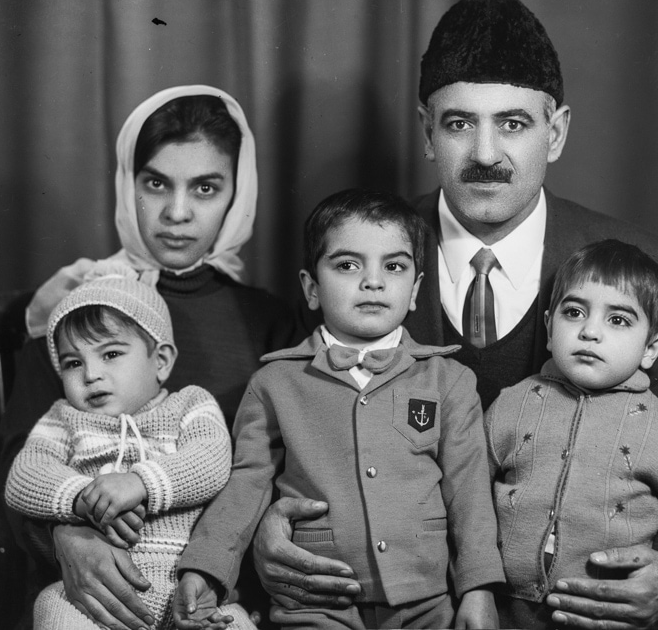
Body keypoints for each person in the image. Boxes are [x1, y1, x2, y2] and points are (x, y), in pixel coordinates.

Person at [250, 0, 658, 628]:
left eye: (513, 124)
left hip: (567, 610)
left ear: (554, 133)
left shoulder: (638, 263)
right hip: (394, 605)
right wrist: (262, 527)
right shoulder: (358, 249)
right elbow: (291, 420)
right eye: (458, 124)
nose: (485, 152)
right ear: (425, 131)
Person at [0, 85, 296, 630]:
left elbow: (283, 470)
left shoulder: (272, 322)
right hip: (93, 586)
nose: (177, 213)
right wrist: (68, 535)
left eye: (205, 188)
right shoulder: (81, 309)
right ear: (126, 183)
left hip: (216, 582)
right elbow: (23, 462)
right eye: (155, 183)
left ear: (238, 193)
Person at [174, 189, 504, 629]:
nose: (373, 281)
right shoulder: (275, 382)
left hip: (425, 602)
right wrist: (206, 567)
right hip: (315, 599)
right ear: (311, 289)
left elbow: (469, 495)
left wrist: (478, 590)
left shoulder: (450, 380)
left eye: (394, 266)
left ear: (415, 291)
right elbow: (247, 485)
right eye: (348, 265)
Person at [486, 239, 658, 629]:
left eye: (617, 320)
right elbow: (465, 502)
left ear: (651, 349)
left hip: (608, 620)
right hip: (501, 616)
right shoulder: (510, 405)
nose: (590, 331)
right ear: (549, 328)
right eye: (574, 312)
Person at [5, 264, 253, 629]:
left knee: (235, 622)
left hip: (186, 590)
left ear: (162, 361)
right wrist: (84, 498)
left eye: (110, 354)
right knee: (52, 607)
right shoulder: (63, 418)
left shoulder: (189, 404)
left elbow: (211, 460)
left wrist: (140, 483)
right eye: (73, 362)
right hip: (93, 598)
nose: (91, 374)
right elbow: (25, 475)